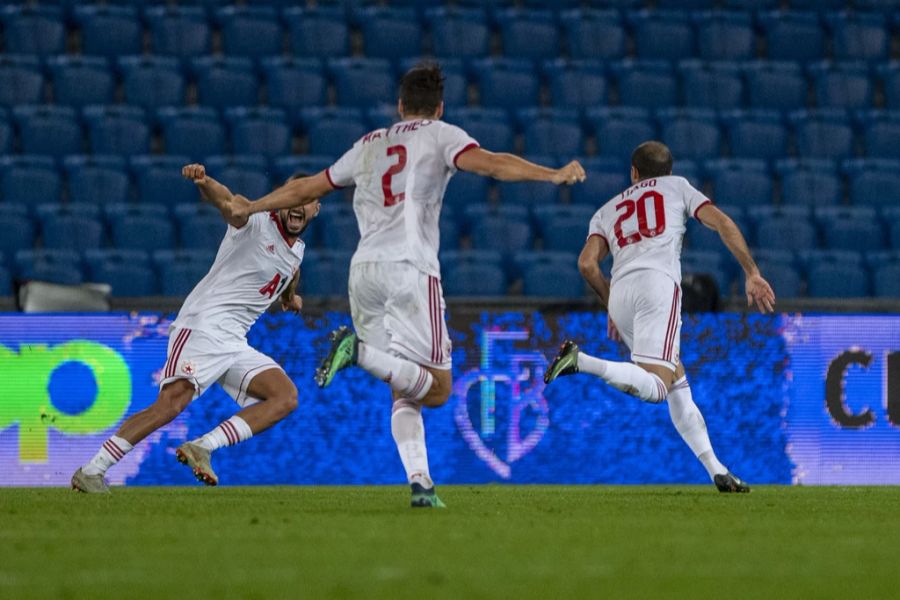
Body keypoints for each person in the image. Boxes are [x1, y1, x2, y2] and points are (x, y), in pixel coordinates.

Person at [230, 62, 586, 507]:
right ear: (439, 107)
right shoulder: (441, 134)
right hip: (410, 269)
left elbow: (308, 188)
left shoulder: (367, 144)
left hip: (363, 273)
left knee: (406, 386)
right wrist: (550, 173)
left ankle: (421, 484)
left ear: (399, 106)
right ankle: (355, 352)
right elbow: (492, 165)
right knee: (437, 389)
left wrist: (255, 205)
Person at [544, 141, 775, 493]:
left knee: (677, 383)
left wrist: (611, 304)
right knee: (656, 388)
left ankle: (718, 470)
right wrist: (752, 272)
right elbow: (723, 224)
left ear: (633, 173)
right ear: (668, 171)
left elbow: (587, 263)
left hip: (621, 292)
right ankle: (582, 361)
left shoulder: (607, 210)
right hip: (658, 287)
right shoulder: (679, 186)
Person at [71, 165, 319, 493]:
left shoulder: (297, 251)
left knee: (284, 397)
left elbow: (289, 270)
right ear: (283, 197)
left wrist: (290, 297)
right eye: (294, 196)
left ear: (316, 208)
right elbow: (228, 203)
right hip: (203, 325)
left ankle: (203, 446)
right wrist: (205, 182)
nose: (298, 204)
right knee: (172, 403)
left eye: (308, 199)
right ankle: (92, 470)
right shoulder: (256, 219)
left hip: (233, 340)